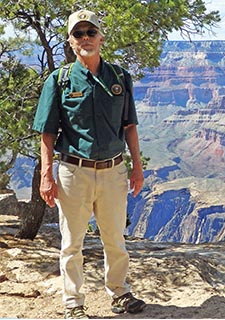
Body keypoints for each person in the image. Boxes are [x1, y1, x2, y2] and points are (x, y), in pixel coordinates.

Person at [33, 9, 146, 319]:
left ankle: (120, 293)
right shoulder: (60, 80)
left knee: (115, 238)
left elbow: (130, 126)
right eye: (78, 34)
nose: (85, 38)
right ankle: (73, 303)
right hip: (73, 172)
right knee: (72, 242)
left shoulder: (120, 77)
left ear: (101, 38)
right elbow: (47, 132)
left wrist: (137, 166)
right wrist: (46, 175)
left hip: (113, 171)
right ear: (70, 41)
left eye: (90, 32)